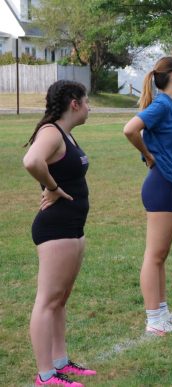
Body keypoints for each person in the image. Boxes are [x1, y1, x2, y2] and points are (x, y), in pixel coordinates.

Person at [24, 80, 95, 387]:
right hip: (55, 228)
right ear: (74, 103)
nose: (89, 106)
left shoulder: (65, 133)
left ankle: (60, 362)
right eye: (87, 100)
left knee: (60, 299)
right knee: (48, 300)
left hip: (71, 227)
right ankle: (45, 375)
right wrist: (52, 187)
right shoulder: (51, 131)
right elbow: (31, 161)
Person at [123, 56, 172, 335]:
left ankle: (162, 312)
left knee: (160, 255)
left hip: (168, 184)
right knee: (154, 255)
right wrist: (149, 155)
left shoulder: (171, 106)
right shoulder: (163, 104)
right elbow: (130, 129)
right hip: (160, 184)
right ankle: (154, 319)